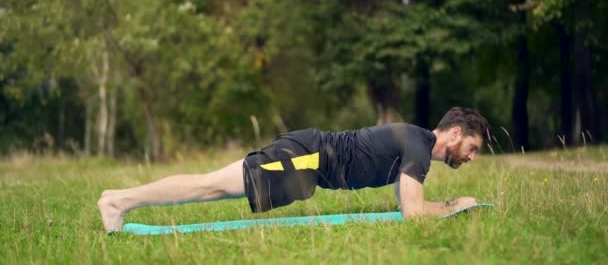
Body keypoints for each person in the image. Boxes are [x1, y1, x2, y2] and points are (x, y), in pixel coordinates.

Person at [98, 107, 490, 232]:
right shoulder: (419, 147)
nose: (471, 157)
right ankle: (118, 201)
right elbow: (413, 213)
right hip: (306, 157)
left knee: (210, 185)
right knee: (209, 187)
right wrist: (455, 206)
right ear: (454, 133)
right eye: (471, 148)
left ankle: (120, 201)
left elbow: (406, 201)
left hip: (308, 159)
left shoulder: (417, 145)